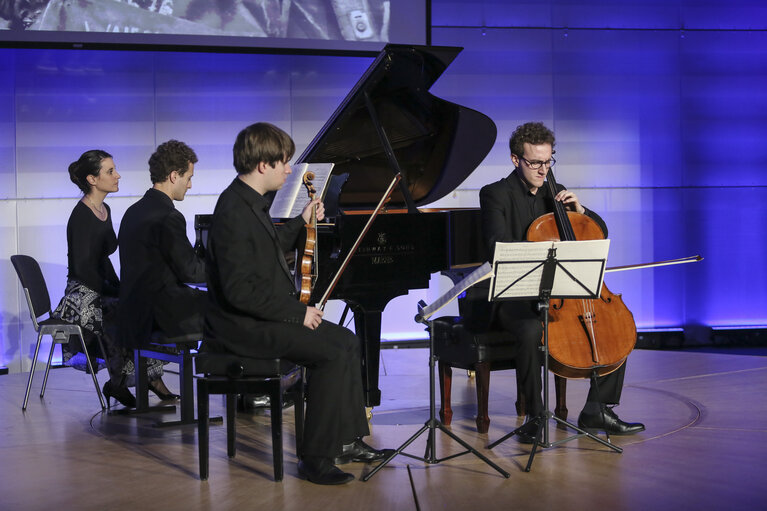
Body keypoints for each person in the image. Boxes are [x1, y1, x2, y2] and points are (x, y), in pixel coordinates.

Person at [202, 122, 388, 485]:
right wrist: (297, 313)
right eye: (284, 163)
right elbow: (239, 292)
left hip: (258, 319)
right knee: (332, 352)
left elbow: (269, 247)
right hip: (241, 329)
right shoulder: (234, 212)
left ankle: (347, 441)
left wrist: (301, 223)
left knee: (347, 342)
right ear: (263, 165)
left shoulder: (247, 201)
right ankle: (316, 458)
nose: (289, 170)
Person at [479, 122, 645, 442]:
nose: (543, 170)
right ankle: (536, 415)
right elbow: (496, 244)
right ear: (516, 160)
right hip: (517, 296)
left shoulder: (556, 193)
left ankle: (597, 408)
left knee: (615, 324)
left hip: (562, 295)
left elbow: (597, 231)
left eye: (548, 161)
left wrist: (580, 211)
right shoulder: (495, 194)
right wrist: (547, 250)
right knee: (529, 329)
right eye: (535, 163)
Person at [117, 140, 206, 401]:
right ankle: (236, 382)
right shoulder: (168, 216)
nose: (190, 185)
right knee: (234, 307)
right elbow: (191, 271)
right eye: (188, 178)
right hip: (162, 313)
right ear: (173, 175)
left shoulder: (133, 211)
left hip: (136, 311)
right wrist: (229, 272)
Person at [52, 149, 135, 408]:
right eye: (110, 171)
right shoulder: (81, 216)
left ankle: (135, 380)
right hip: (81, 291)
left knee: (134, 303)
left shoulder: (105, 209)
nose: (117, 175)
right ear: (92, 179)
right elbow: (83, 268)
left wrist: (120, 287)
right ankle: (119, 382)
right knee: (119, 311)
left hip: (99, 283)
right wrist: (112, 291)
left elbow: (103, 259)